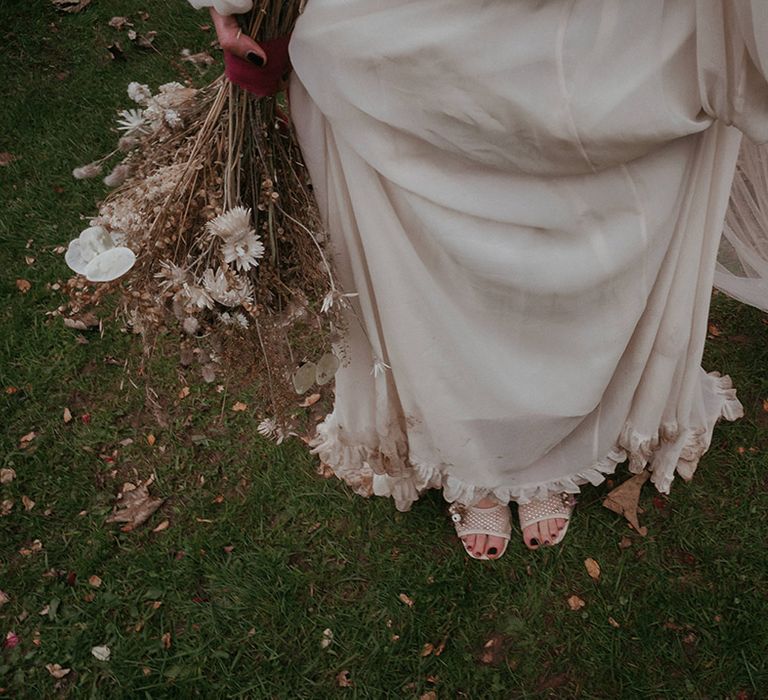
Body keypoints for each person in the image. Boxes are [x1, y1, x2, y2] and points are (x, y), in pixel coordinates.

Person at [191, 0, 767, 560]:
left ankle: (558, 445)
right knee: (430, 258)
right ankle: (472, 457)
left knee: (589, 230)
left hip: (605, 34)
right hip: (417, 30)